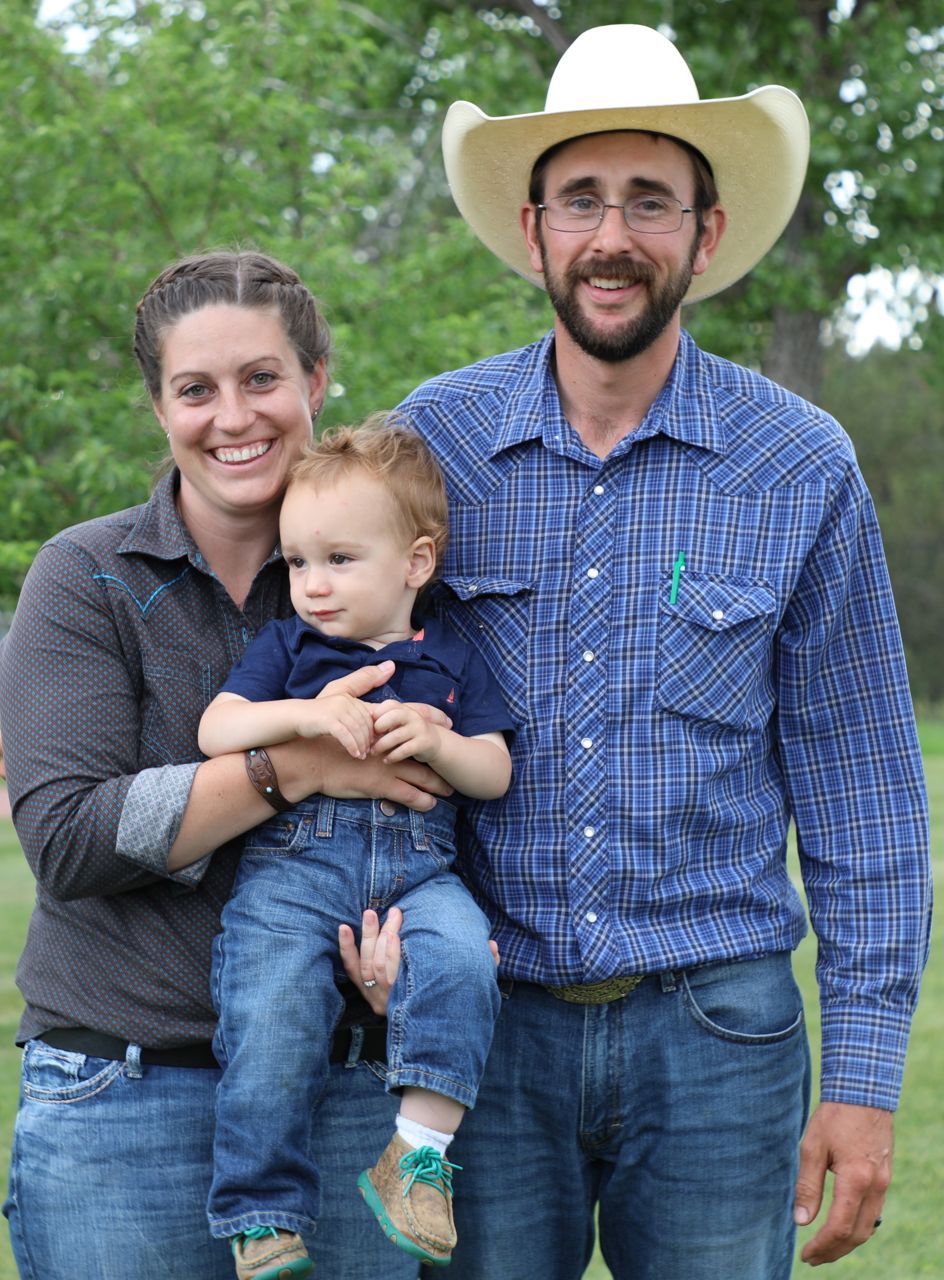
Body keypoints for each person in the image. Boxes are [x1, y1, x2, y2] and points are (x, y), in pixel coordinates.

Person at [394, 23, 932, 1280]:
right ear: (534, 230)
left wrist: (862, 1082)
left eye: (650, 200)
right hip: (482, 1037)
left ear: (706, 232)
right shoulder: (434, 446)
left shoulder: (800, 464)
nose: (613, 235)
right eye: (581, 199)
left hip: (719, 1038)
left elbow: (862, 792)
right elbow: (351, 683)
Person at [0, 250, 444, 1280]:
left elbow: (442, 796)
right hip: (122, 1097)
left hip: (341, 1097)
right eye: (195, 388)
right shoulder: (85, 577)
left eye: (262, 378)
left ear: (316, 380)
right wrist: (302, 765)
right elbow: (70, 837)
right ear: (159, 406)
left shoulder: (378, 582)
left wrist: (417, 960)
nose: (233, 416)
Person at [197, 419, 512, 1278]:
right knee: (271, 1009)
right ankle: (262, 1212)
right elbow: (217, 728)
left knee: (465, 965)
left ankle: (416, 1159)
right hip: (295, 868)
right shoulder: (290, 648)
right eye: (298, 561)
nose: (312, 584)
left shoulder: (451, 659)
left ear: (416, 563)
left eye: (339, 559)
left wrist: (439, 742)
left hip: (421, 871)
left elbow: (494, 771)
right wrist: (306, 715)